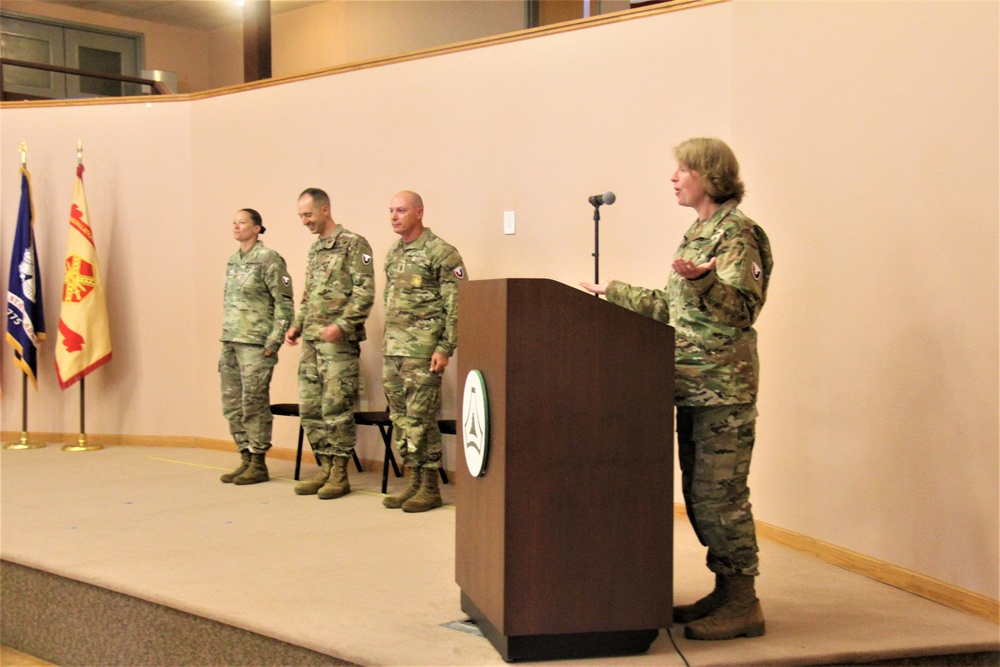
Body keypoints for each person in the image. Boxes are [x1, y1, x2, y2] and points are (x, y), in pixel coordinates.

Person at [581, 137, 773, 641]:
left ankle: (743, 602)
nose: (673, 177)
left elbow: (741, 310)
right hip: (690, 384)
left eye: (682, 169)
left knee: (720, 496)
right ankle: (725, 590)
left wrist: (704, 283)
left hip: (722, 390)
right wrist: (614, 292)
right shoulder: (698, 234)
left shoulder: (738, 234)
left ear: (708, 176)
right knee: (699, 494)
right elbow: (677, 311)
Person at [284, 188, 375, 499]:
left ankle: (339, 473)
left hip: (338, 343)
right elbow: (309, 295)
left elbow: (364, 292)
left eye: (308, 214)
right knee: (311, 409)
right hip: (311, 340)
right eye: (301, 216)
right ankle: (324, 466)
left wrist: (342, 326)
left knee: (336, 407)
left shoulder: (353, 243)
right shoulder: (315, 250)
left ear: (325, 209)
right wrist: (296, 326)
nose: (305, 221)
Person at [381, 190, 467, 513]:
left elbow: (457, 305)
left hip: (423, 352)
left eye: (400, 210)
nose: (393, 216)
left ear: (419, 213)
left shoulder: (441, 253)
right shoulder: (393, 253)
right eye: (390, 210)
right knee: (401, 420)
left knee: (421, 419)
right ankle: (413, 482)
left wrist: (445, 348)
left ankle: (429, 487)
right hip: (394, 351)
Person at [219, 208, 294, 485]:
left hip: (256, 344)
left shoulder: (269, 259)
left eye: (242, 222)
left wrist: (274, 342)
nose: (237, 227)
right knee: (232, 403)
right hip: (230, 341)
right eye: (234, 222)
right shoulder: (233, 260)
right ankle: (245, 456)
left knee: (254, 403)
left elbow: (284, 304)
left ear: (257, 228)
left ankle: (259, 461)